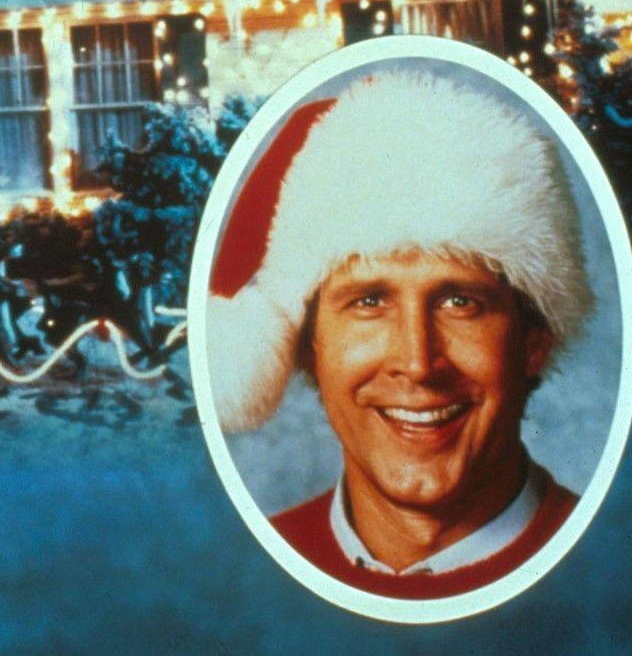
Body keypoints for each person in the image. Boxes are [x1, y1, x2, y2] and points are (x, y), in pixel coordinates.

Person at [205, 70, 593, 599]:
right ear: (308, 346)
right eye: (368, 302)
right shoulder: (239, 585)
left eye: (461, 302)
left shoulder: (617, 569)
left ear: (534, 341)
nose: (417, 361)